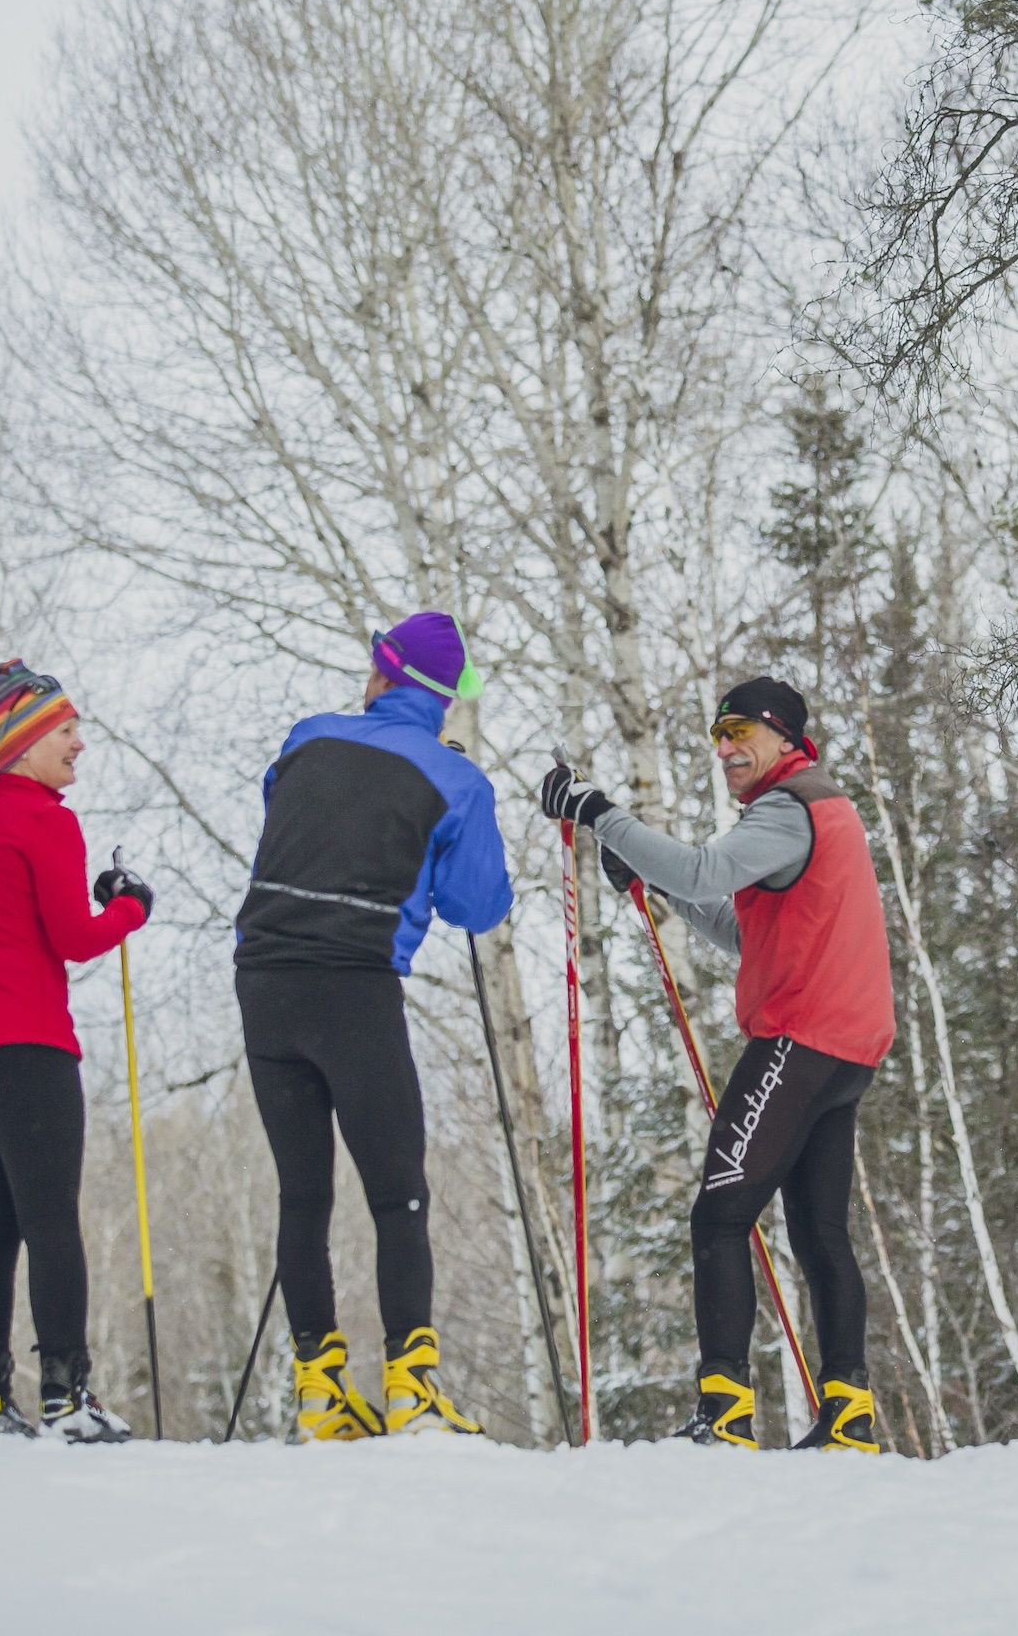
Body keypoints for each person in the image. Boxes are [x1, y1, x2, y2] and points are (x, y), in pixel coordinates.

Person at [541, 676, 895, 1453]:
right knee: (819, 1233)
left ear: (784, 737)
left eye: (741, 731)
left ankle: (725, 1410)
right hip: (846, 1049)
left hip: (801, 1038)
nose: (727, 748)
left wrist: (597, 813)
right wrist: (651, 882)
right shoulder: (818, 811)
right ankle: (849, 1415)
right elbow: (744, 933)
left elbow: (702, 869)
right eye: (717, 735)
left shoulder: (789, 806)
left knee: (720, 1215)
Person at [235, 611, 512, 1440]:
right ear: (448, 700)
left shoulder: (305, 739)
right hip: (354, 988)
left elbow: (283, 809)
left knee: (303, 1192)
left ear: (382, 675)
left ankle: (320, 1392)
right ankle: (411, 1389)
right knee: (399, 1192)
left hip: (264, 978)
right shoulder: (456, 781)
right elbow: (477, 906)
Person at [0, 660, 150, 1443]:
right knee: (51, 1225)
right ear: (22, 743)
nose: (80, 744)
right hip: (23, 1044)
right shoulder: (47, 820)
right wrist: (128, 909)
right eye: (66, 731)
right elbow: (73, 938)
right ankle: (66, 1398)